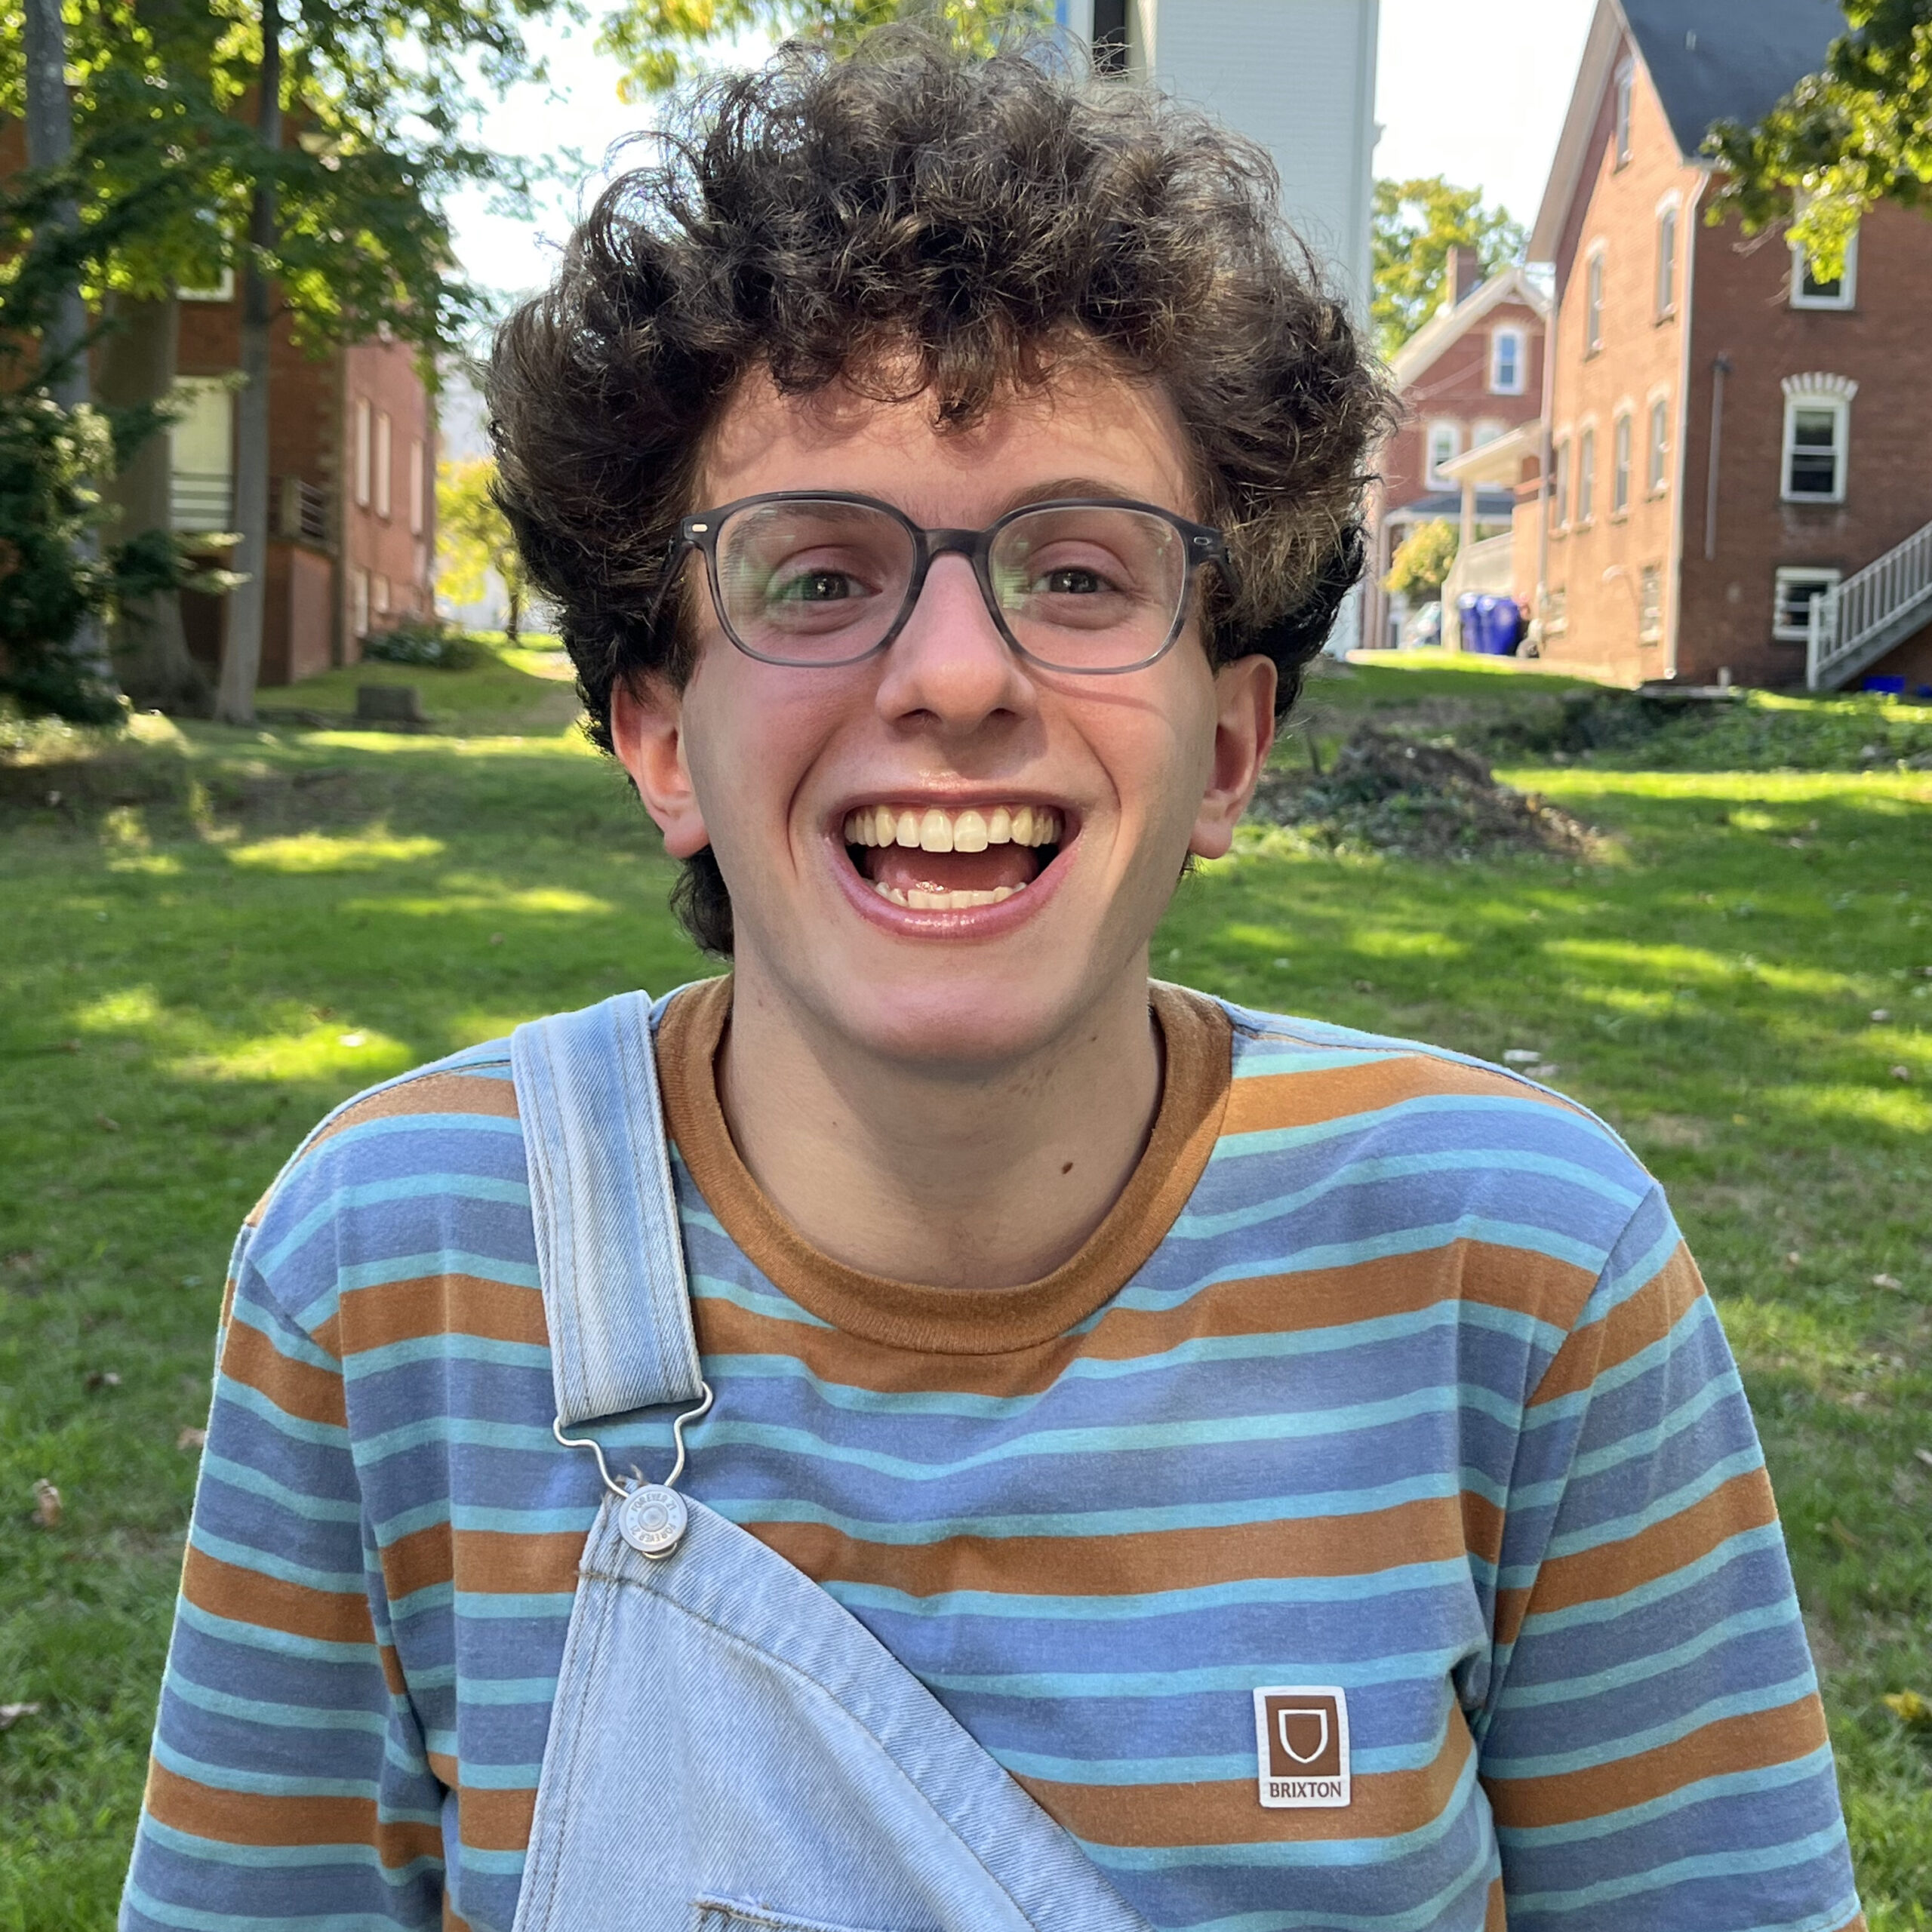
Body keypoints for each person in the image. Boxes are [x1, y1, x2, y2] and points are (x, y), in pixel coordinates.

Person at [122, 37, 1863, 1932]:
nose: (956, 672)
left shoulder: (1521, 1273)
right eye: (811, 576)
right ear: (659, 736)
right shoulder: (391, 1271)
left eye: (1083, 571)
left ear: (1224, 743)